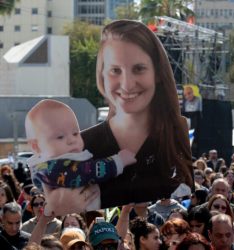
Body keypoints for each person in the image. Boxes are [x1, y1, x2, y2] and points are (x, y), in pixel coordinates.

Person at [42, 19, 194, 214]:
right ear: (102, 76)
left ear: (157, 72)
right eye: (115, 70)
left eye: (138, 69)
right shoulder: (80, 149)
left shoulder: (176, 134)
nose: (127, 84)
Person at [25, 99, 136, 214]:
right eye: (60, 137)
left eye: (75, 133)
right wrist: (118, 161)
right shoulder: (53, 167)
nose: (71, 140)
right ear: (36, 147)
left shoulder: (54, 161)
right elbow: (87, 172)